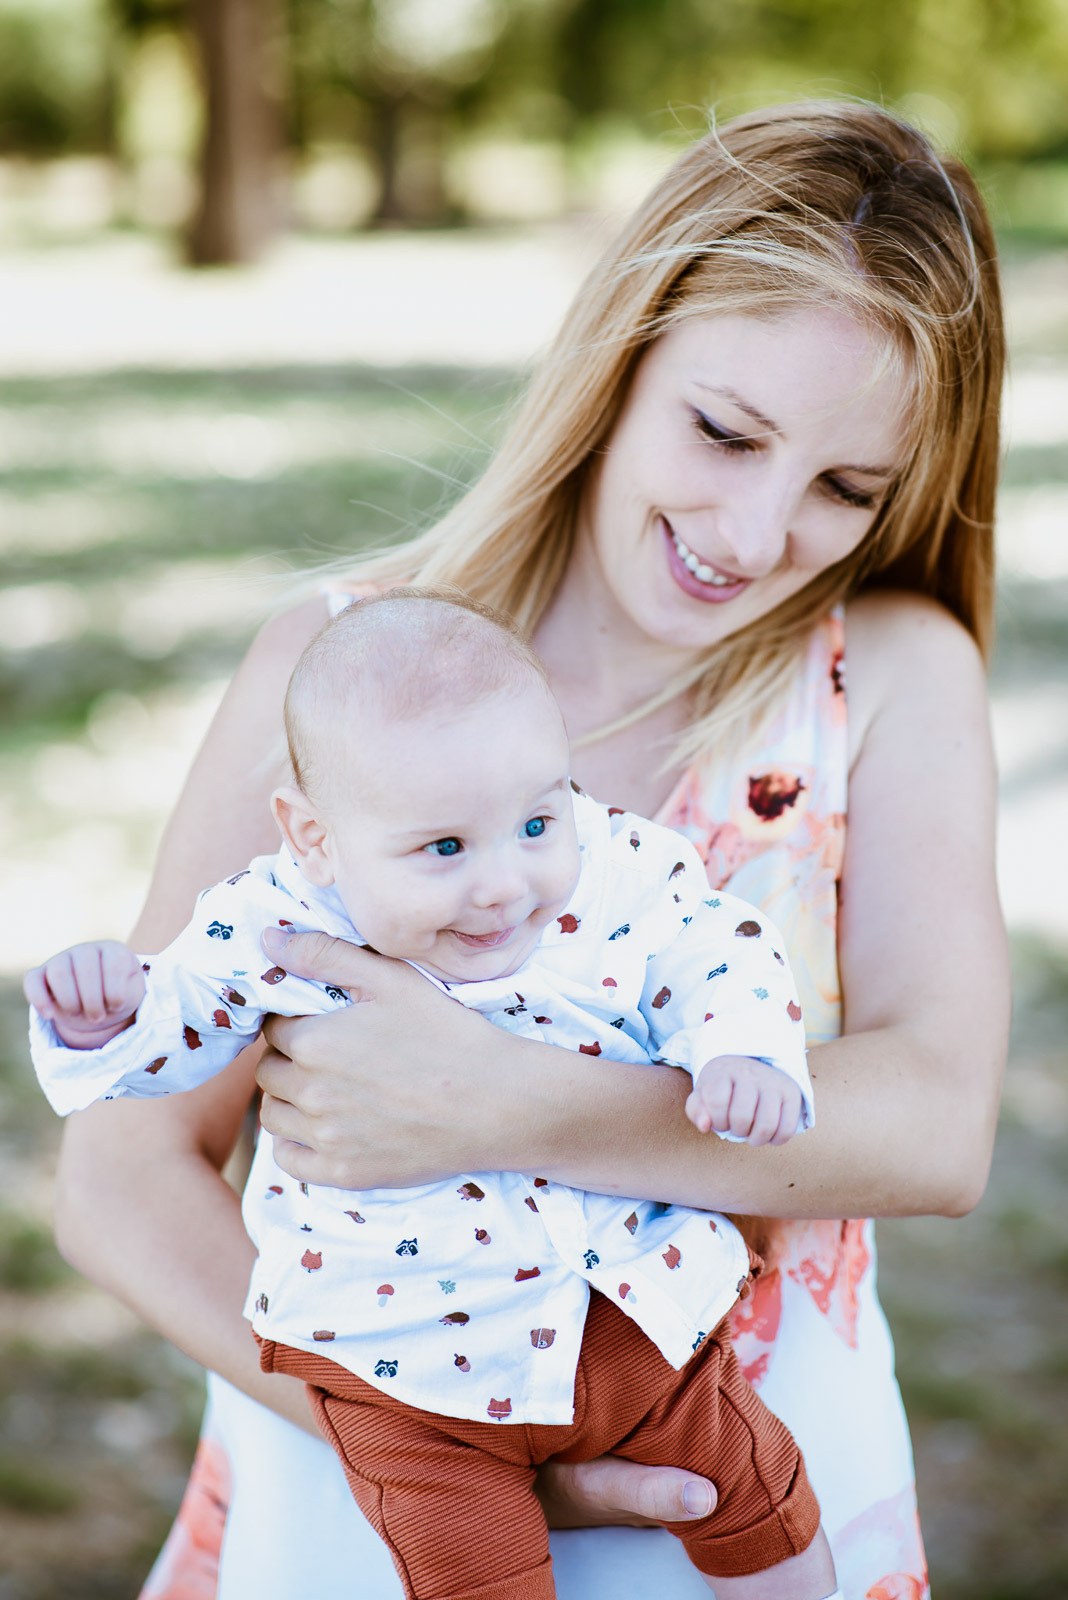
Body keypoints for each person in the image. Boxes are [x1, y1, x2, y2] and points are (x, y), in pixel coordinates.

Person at [51, 99, 1009, 1600]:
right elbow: (121, 1166)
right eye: (724, 431)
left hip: (750, 1475)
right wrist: (438, 1436)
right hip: (375, 1480)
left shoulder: (881, 676)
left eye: (845, 489)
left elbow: (938, 1124)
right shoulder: (336, 675)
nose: (756, 535)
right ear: (620, 356)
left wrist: (504, 1103)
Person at [30, 590, 840, 1600]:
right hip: (398, 1366)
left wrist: (744, 1050)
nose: (506, 882)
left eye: (538, 818)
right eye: (446, 848)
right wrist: (108, 1013)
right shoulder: (276, 919)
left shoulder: (615, 866)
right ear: (317, 838)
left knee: (749, 1478)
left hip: (621, 1304)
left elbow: (718, 947)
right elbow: (181, 1019)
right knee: (464, 1564)